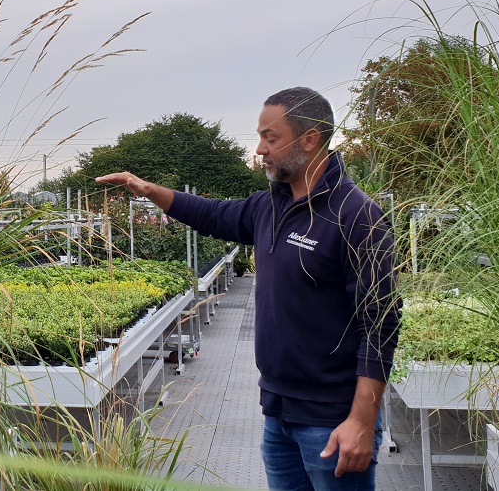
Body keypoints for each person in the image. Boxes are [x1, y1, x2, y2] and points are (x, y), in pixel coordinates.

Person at [96, 87, 399, 491]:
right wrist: (150, 191)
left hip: (332, 420)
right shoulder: (268, 205)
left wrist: (361, 420)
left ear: (309, 140)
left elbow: (380, 324)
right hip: (278, 415)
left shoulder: (356, 215)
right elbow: (212, 214)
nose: (259, 149)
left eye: (270, 138)